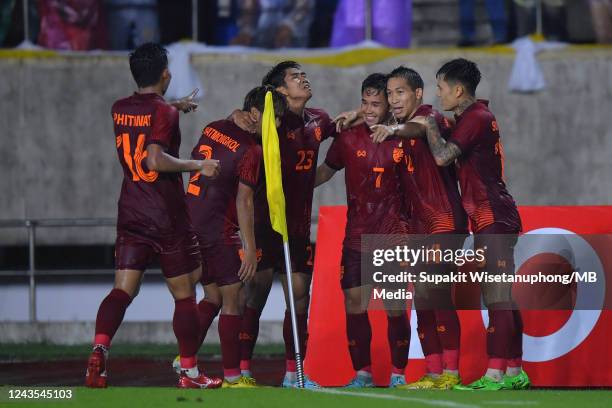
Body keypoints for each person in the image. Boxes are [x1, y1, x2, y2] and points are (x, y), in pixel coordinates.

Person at [85, 43, 221, 389]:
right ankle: (189, 372)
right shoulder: (164, 114)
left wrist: (173, 106)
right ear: (166, 74)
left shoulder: (119, 108)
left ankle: (99, 351)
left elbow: (144, 117)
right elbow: (155, 160)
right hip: (165, 215)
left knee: (122, 291)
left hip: (131, 212)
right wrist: (198, 165)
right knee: (185, 294)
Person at [414, 58, 529, 391]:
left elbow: (442, 156)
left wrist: (429, 124)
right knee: (502, 295)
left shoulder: (476, 117)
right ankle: (514, 371)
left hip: (493, 215)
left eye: (441, 88)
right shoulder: (474, 116)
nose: (439, 95)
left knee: (495, 295)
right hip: (489, 217)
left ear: (458, 89)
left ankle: (495, 374)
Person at [232, 61, 336, 388]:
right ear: (279, 90)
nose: (303, 79)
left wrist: (358, 116)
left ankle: (294, 373)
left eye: (304, 74)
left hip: (298, 226)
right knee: (256, 293)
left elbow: (343, 131)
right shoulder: (268, 124)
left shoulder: (319, 120)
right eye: (295, 77)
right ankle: (243, 369)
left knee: (300, 294)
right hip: (265, 223)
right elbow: (238, 119)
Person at [181, 85, 287, 388]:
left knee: (212, 296)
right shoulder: (252, 151)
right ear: (255, 114)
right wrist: (250, 249)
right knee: (234, 297)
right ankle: (232, 377)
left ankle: (186, 361)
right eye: (274, 118)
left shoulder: (214, 126)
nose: (277, 126)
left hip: (191, 220)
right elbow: (245, 201)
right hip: (218, 228)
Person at [315, 73, 411, 388]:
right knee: (354, 305)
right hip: (356, 235)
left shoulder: (404, 135)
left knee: (394, 308)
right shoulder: (348, 137)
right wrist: (288, 185)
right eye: (364, 103)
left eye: (376, 104)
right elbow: (324, 173)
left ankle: (398, 374)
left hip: (394, 235)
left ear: (389, 106)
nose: (369, 110)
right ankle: (363, 375)